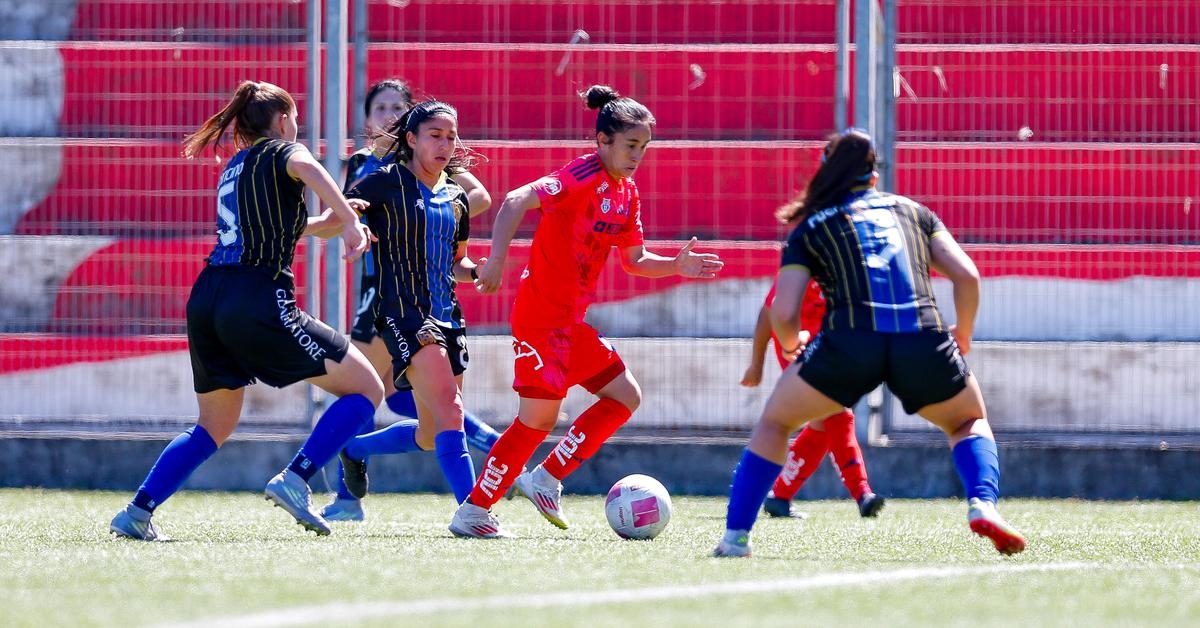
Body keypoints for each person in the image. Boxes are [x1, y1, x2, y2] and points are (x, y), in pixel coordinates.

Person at [714, 128, 1025, 557]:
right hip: (922, 337)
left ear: (826, 175)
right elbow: (967, 277)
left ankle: (736, 539)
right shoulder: (913, 212)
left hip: (849, 343)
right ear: (875, 175)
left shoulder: (812, 226)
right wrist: (963, 334)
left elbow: (782, 312)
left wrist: (790, 346)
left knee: (776, 423)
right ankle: (983, 504)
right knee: (967, 421)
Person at [109, 80, 384, 541]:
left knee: (213, 425)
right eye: (294, 118)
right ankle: (296, 478)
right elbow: (309, 167)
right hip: (257, 296)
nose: (297, 127)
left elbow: (290, 229)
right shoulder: (283, 151)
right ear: (281, 121)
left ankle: (138, 512)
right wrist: (353, 222)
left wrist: (333, 222)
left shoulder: (236, 167)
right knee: (366, 391)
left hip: (209, 298)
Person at [448, 85, 725, 538]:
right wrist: (495, 258)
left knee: (624, 396)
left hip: (570, 324)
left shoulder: (627, 193)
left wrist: (675, 264)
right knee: (537, 420)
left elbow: (635, 260)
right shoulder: (580, 176)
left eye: (644, 147)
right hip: (540, 318)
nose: (637, 155)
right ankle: (474, 511)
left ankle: (547, 476)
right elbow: (516, 199)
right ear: (603, 141)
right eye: (630, 145)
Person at [321, 79, 501, 522]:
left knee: (429, 431)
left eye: (451, 137)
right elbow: (346, 210)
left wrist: (478, 272)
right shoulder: (381, 180)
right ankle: (472, 510)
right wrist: (351, 227)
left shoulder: (455, 197)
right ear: (411, 139)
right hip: (403, 314)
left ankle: (355, 449)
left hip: (448, 316)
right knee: (450, 411)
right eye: (434, 135)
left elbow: (456, 263)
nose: (444, 144)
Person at [741, 278, 885, 519]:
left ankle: (780, 495)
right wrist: (756, 365)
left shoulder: (850, 264)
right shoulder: (805, 259)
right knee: (837, 413)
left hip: (829, 345)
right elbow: (770, 311)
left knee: (823, 423)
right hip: (796, 343)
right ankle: (862, 493)